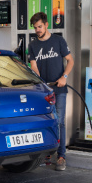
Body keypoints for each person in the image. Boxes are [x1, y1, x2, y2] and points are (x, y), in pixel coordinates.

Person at [28, 12, 74, 171]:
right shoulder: (32, 45)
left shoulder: (58, 41)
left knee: (59, 121)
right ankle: (46, 153)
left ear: (46, 24)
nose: (37, 30)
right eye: (35, 28)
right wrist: (39, 81)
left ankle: (61, 156)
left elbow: (70, 60)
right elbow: (33, 66)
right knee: (44, 121)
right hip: (43, 91)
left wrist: (64, 77)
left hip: (59, 88)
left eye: (39, 27)